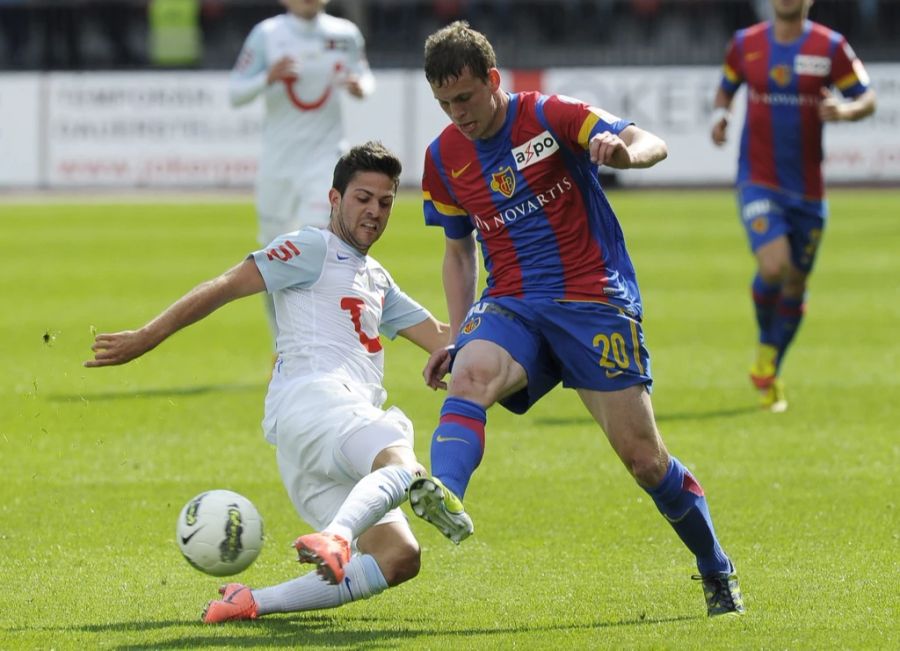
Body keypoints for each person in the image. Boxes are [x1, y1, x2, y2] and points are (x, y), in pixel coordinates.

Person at [407, 21, 744, 618]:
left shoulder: (549, 114)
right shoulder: (443, 159)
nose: (457, 114)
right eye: (444, 103)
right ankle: (446, 494)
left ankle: (715, 566)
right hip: (511, 301)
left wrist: (625, 154)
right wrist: (458, 338)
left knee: (644, 459)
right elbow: (459, 253)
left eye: (465, 98)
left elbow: (650, 141)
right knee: (471, 374)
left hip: (592, 298)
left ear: (492, 80)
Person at [85, 142, 450, 623]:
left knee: (399, 556)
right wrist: (148, 336)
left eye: (385, 202)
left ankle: (251, 602)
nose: (375, 212)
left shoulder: (376, 277)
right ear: (334, 199)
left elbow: (444, 340)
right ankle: (338, 537)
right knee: (399, 454)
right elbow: (226, 284)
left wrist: (523, 338)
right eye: (363, 198)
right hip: (319, 402)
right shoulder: (312, 245)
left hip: (313, 449)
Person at [710, 0, 876, 412]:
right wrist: (720, 114)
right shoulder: (745, 44)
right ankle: (768, 354)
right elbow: (728, 84)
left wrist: (846, 109)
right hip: (758, 179)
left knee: (796, 284)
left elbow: (866, 96)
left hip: (808, 190)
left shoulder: (830, 47)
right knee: (773, 266)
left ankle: (769, 364)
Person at [229, 0, 375, 340]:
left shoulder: (344, 34)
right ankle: (282, 344)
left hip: (325, 159)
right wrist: (268, 77)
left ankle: (321, 340)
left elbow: (365, 76)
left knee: (316, 247)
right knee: (271, 258)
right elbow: (236, 92)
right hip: (279, 165)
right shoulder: (267, 34)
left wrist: (359, 86)